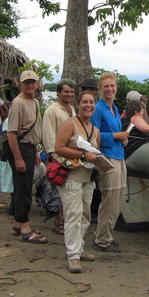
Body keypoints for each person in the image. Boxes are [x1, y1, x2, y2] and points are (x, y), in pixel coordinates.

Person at [55, 91, 101, 273]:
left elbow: (95, 154)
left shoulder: (95, 130)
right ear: (78, 104)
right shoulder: (70, 123)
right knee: (73, 215)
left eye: (91, 102)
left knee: (85, 216)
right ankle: (73, 256)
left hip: (88, 178)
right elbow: (58, 148)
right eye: (85, 102)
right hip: (72, 177)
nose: (88, 105)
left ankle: (78, 248)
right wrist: (83, 154)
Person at [90, 72, 129, 253]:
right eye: (105, 86)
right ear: (100, 89)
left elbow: (116, 134)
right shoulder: (98, 109)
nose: (109, 89)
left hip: (119, 155)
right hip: (106, 157)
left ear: (116, 88)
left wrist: (122, 138)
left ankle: (107, 235)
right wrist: (114, 136)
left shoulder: (114, 108)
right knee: (110, 198)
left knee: (119, 198)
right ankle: (102, 240)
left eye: (112, 86)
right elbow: (93, 135)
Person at [7, 70, 47, 243]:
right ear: (21, 84)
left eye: (33, 82)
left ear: (37, 84)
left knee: (22, 187)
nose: (30, 85)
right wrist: (18, 158)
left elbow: (35, 129)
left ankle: (17, 223)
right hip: (20, 148)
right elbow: (11, 133)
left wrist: (37, 151)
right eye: (27, 82)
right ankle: (24, 227)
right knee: (23, 190)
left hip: (31, 148)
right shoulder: (18, 103)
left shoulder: (35, 102)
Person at [43, 78, 76, 235]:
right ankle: (59, 221)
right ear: (58, 93)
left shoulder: (72, 109)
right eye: (66, 92)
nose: (69, 94)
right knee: (59, 189)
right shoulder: (52, 110)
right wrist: (53, 155)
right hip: (59, 155)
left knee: (69, 189)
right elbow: (48, 133)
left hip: (71, 154)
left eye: (71, 92)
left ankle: (64, 219)